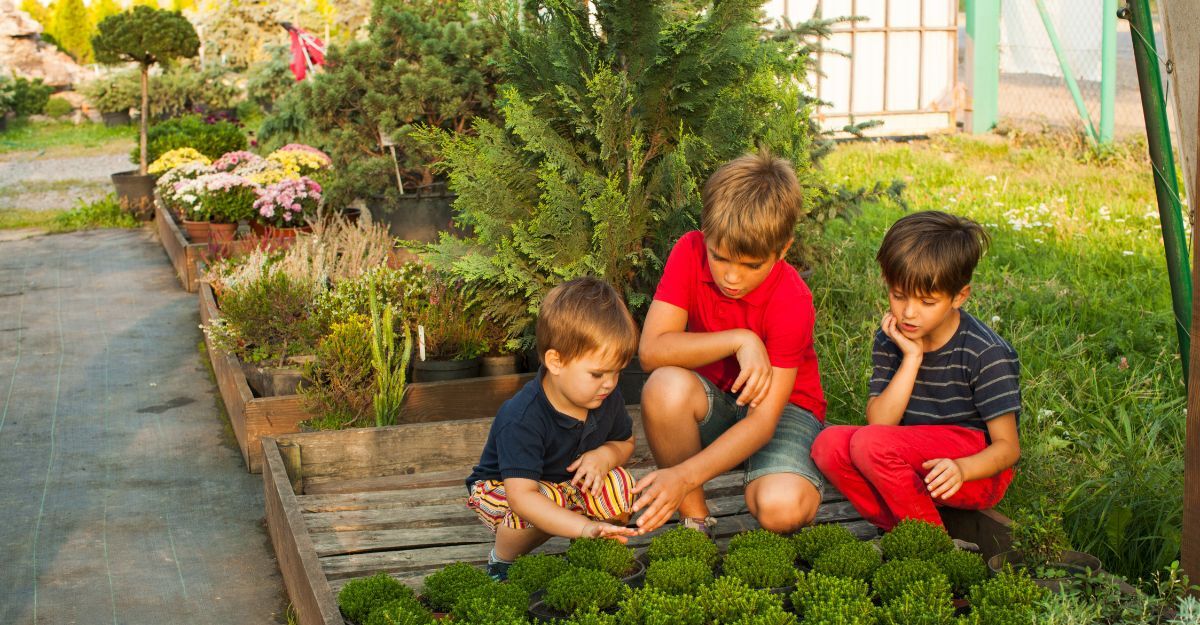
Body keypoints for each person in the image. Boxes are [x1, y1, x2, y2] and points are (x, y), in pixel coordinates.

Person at [631, 150, 827, 536]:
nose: (732, 278)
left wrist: (681, 475)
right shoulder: (688, 252)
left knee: (780, 510)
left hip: (782, 410)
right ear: (705, 233)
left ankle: (775, 473)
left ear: (783, 249)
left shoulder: (793, 300)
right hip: (713, 403)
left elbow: (762, 423)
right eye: (720, 258)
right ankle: (695, 521)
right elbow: (652, 351)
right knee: (663, 387)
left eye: (751, 265)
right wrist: (740, 339)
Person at [810, 210, 1021, 531]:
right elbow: (880, 422)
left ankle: (930, 543)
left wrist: (962, 469)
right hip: (909, 458)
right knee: (829, 445)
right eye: (898, 295)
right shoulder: (892, 337)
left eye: (927, 301)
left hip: (972, 471)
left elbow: (1008, 448)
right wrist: (911, 358)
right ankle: (904, 529)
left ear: (959, 296)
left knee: (870, 444)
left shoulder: (985, 352)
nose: (909, 312)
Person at [466, 277, 641, 580]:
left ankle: (594, 547)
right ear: (556, 361)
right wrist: (582, 525)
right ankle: (503, 561)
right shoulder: (522, 416)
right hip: (505, 490)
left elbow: (626, 442)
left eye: (617, 372)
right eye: (598, 373)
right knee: (542, 503)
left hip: (563, 485)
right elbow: (522, 497)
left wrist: (605, 455)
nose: (610, 383)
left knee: (621, 483)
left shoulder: (605, 396)